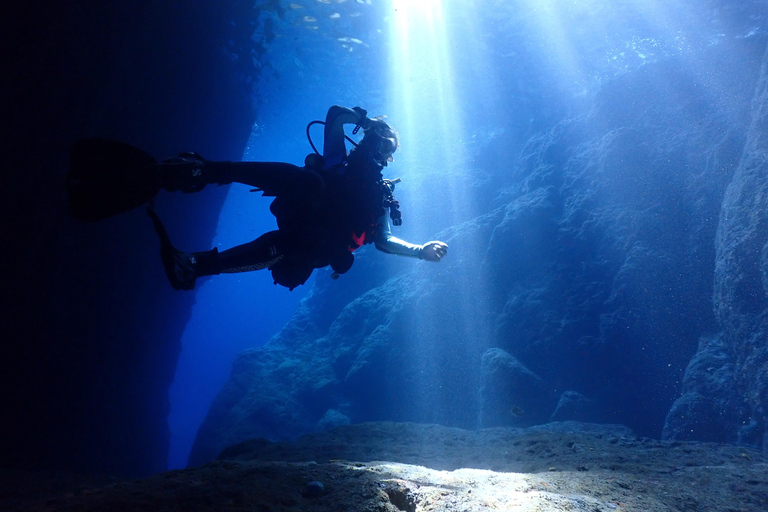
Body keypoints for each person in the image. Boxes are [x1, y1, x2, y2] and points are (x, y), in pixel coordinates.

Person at [147, 105, 448, 291]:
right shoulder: (338, 161)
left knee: (306, 243)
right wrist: (369, 123)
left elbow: (384, 240)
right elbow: (335, 115)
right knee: (308, 180)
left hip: (319, 244)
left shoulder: (380, 196)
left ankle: (193, 266)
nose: (380, 148)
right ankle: (202, 171)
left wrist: (420, 250)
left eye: (388, 147)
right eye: (377, 142)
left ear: (390, 158)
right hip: (301, 209)